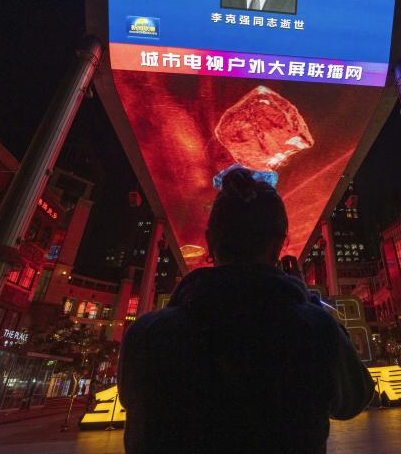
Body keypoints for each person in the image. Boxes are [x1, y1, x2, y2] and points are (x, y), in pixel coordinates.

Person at [117, 168, 373, 453]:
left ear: (209, 240)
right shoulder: (313, 329)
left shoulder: (146, 335)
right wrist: (309, 302)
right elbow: (354, 398)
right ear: (279, 244)